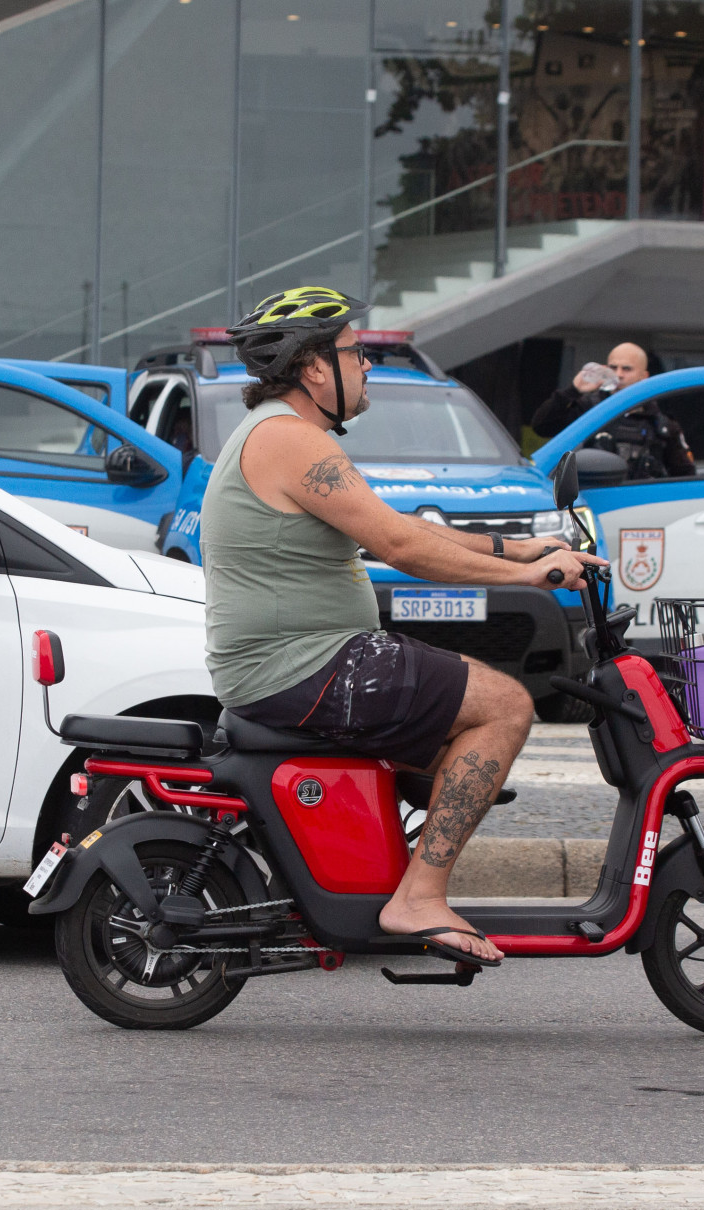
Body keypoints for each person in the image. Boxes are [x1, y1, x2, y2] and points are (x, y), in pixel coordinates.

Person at [201, 286, 607, 965]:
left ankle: (385, 878)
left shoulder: (284, 436)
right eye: (355, 353)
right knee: (505, 705)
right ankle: (418, 895)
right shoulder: (291, 441)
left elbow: (401, 528)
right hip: (305, 666)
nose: (366, 368)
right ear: (312, 369)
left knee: (456, 717)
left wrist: (522, 547)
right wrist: (528, 578)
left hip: (306, 661)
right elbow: (403, 550)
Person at [529, 341, 696, 480]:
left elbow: (686, 475)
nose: (619, 374)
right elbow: (542, 426)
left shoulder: (661, 424)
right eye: (613, 368)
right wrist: (573, 390)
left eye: (627, 369)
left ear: (644, 376)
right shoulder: (589, 409)